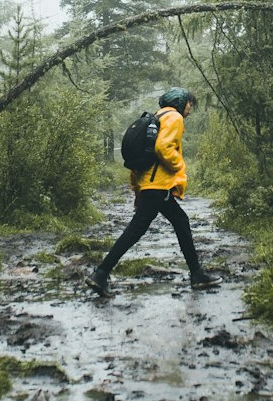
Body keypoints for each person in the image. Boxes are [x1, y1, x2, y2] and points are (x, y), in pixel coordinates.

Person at [89, 88, 217, 294]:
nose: (190, 110)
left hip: (152, 184)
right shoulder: (174, 117)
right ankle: (101, 273)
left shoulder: (157, 116)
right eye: (189, 104)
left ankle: (197, 274)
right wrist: (179, 166)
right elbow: (163, 148)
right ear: (181, 102)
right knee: (136, 229)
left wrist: (137, 186)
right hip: (157, 186)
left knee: (181, 222)